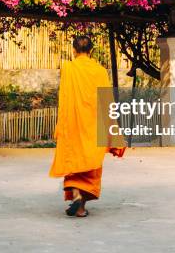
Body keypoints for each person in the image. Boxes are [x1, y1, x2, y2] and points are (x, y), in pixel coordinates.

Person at [49, 35, 124, 217]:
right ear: (91, 51)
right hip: (92, 126)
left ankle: (76, 196)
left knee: (73, 162)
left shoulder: (68, 68)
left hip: (73, 124)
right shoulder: (99, 71)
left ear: (74, 50)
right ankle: (81, 208)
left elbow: (65, 98)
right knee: (89, 165)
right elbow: (106, 101)